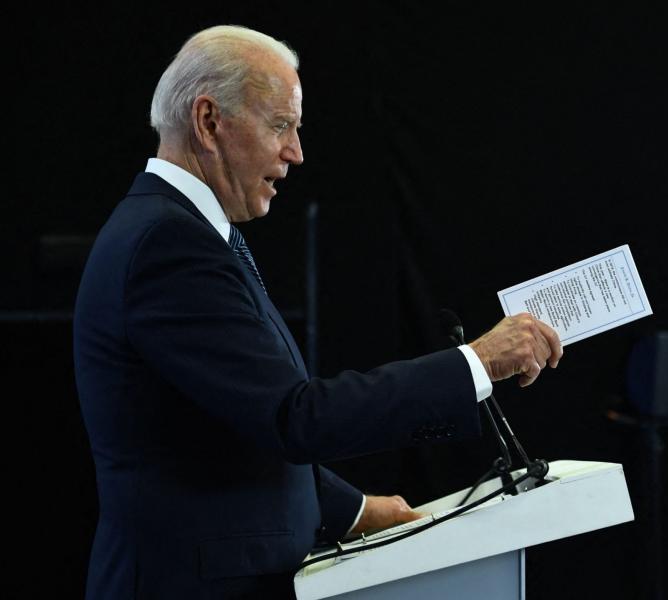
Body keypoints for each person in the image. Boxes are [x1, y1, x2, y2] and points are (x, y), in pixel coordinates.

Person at [73, 25, 562, 599]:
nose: (296, 152)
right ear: (209, 123)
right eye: (281, 125)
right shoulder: (167, 245)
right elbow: (292, 418)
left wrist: (349, 508)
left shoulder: (182, 232)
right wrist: (475, 362)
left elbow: (229, 430)